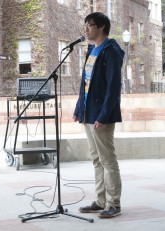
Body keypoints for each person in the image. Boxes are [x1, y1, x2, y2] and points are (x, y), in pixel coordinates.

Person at [73, 12, 124, 218]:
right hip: (88, 113)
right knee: (96, 159)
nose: (86, 29)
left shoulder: (111, 51)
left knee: (107, 159)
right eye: (85, 25)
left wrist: (103, 115)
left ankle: (114, 203)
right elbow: (84, 84)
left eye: (89, 25)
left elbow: (113, 87)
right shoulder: (91, 50)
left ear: (101, 27)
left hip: (101, 116)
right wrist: (79, 109)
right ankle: (101, 200)